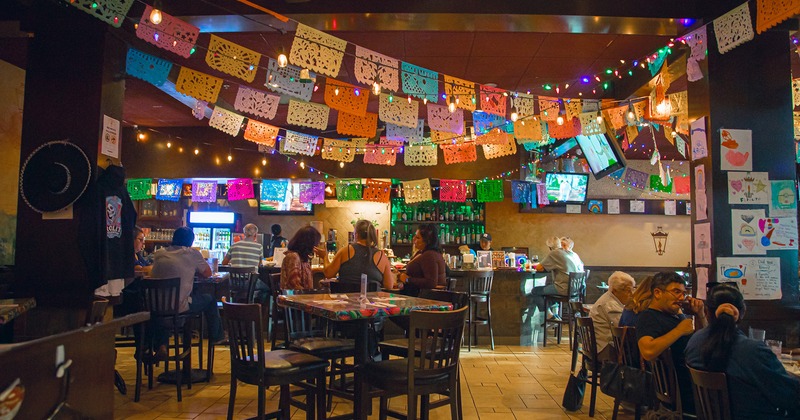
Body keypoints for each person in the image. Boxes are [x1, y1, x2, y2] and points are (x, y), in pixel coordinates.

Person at [685, 284, 800, 419]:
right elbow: (790, 396)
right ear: (742, 312)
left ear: (707, 312)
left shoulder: (694, 341)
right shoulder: (753, 351)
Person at [636, 271, 707, 415]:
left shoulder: (675, 316)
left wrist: (699, 314)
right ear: (657, 293)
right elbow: (647, 351)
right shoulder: (648, 317)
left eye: (683, 293)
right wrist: (679, 330)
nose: (681, 297)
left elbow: (706, 340)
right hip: (686, 390)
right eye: (676, 292)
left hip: (693, 383)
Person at [150, 227, 224, 359]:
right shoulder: (192, 253)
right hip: (180, 308)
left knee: (166, 306)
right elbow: (207, 273)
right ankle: (216, 336)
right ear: (191, 241)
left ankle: (162, 345)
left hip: (155, 308)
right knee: (210, 299)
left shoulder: (159, 253)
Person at [318, 219, 395, 290]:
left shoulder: (345, 251)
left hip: (346, 302)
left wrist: (325, 257)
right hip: (372, 303)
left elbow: (328, 273)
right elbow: (389, 286)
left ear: (356, 235)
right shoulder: (381, 256)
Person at [532, 237, 584, 320]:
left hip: (563, 289)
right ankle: (555, 315)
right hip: (576, 290)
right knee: (549, 291)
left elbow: (539, 268)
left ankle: (550, 316)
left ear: (550, 247)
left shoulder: (555, 253)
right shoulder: (574, 254)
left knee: (535, 291)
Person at [589, 271, 635, 362]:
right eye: (627, 290)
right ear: (615, 291)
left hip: (600, 345)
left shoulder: (609, 298)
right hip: (605, 349)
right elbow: (622, 329)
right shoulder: (610, 305)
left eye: (632, 289)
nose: (632, 294)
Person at [397, 224, 446, 296]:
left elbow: (431, 282)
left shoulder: (429, 255)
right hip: (416, 295)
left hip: (421, 298)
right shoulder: (433, 253)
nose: (413, 239)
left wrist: (408, 279)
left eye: (417, 238)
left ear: (427, 240)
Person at [280, 226, 321, 290]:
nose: (317, 245)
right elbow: (294, 284)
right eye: (316, 243)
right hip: (294, 298)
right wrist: (311, 296)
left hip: (303, 297)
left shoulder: (302, 258)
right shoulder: (293, 257)